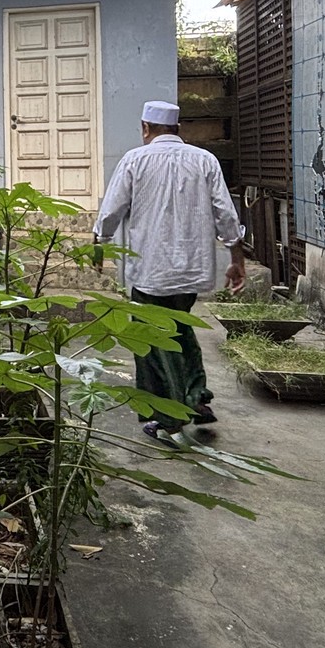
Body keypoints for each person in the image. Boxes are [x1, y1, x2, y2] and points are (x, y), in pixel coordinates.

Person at [94, 99, 246, 435]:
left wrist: (98, 244)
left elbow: (110, 212)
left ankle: (169, 415)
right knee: (181, 329)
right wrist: (237, 259)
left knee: (151, 341)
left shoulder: (135, 159)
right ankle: (197, 396)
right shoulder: (205, 160)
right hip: (190, 270)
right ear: (179, 130)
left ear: (145, 129)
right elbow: (226, 212)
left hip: (151, 269)